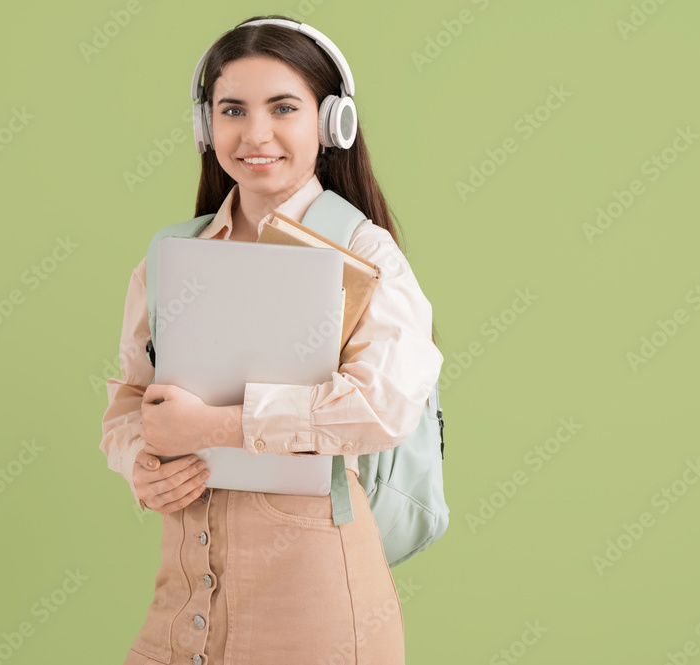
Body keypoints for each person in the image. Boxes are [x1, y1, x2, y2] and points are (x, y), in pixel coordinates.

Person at [100, 15, 444, 665]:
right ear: (207, 127)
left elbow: (382, 406)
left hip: (317, 607)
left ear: (331, 122)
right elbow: (128, 405)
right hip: (184, 598)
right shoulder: (170, 255)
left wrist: (215, 424)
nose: (255, 133)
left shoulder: (366, 253)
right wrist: (142, 466)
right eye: (232, 109)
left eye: (283, 107)